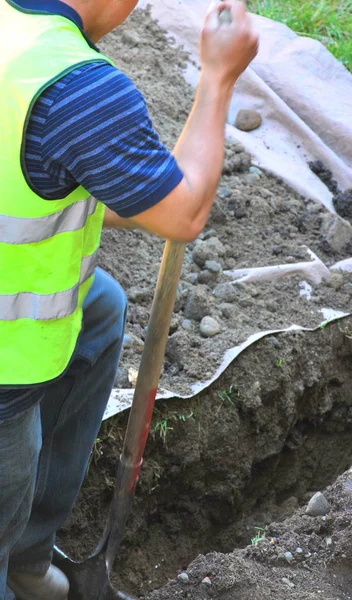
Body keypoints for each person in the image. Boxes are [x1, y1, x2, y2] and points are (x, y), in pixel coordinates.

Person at [0, 0, 258, 597]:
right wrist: (217, 78)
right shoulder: (72, 86)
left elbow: (54, 177)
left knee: (102, 308)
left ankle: (29, 554)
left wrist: (140, 189)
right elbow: (184, 212)